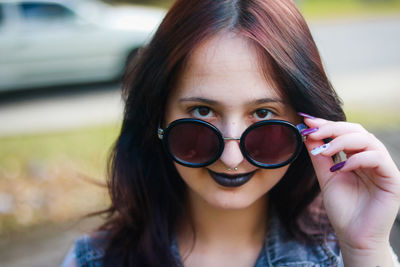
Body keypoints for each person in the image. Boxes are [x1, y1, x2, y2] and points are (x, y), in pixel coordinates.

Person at [61, 0, 400, 266]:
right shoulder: (92, 260)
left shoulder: (348, 257)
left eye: (263, 113)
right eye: (203, 111)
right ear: (158, 115)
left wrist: (365, 248)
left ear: (307, 125)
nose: (231, 157)